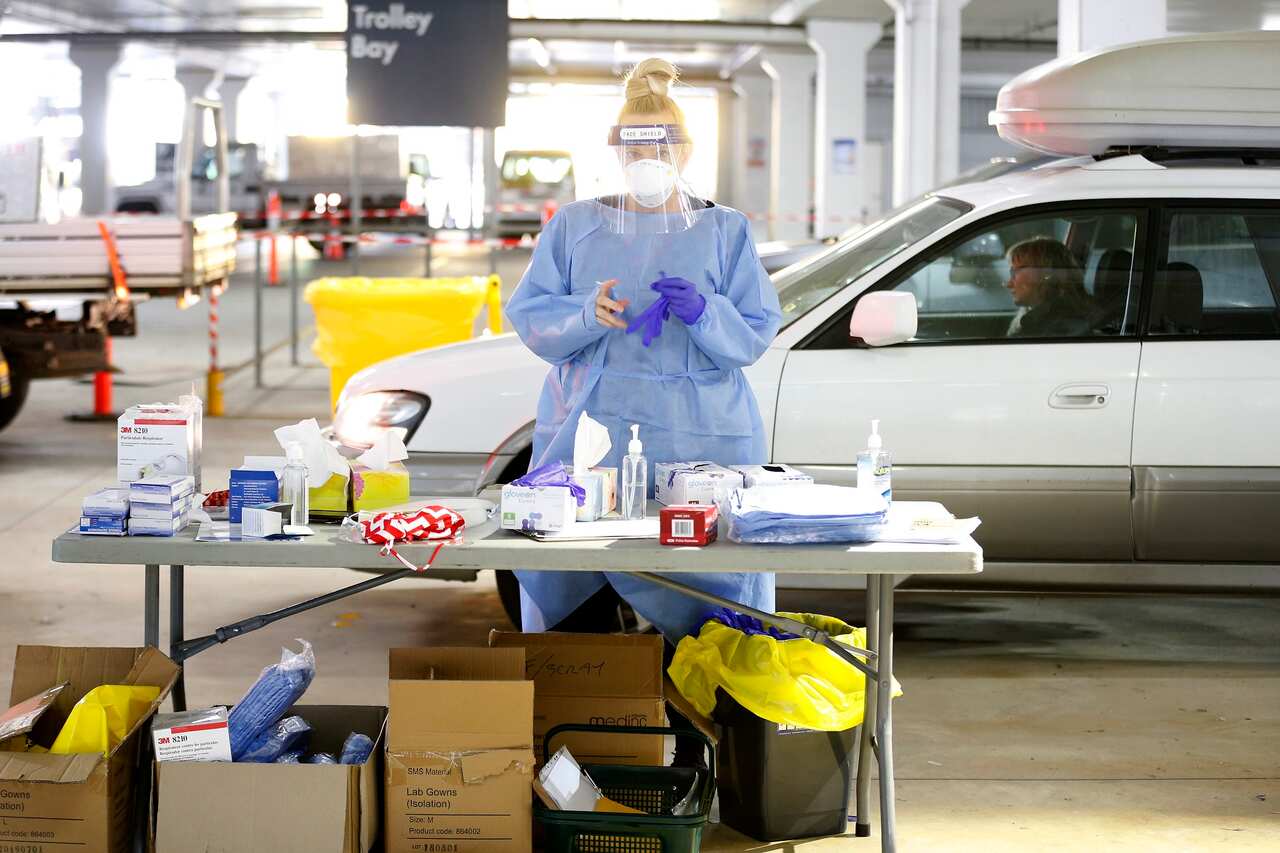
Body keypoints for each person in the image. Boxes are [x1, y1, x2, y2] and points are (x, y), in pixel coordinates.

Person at [504, 57, 783, 641]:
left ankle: (701, 729)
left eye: (660, 147)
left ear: (685, 151)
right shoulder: (575, 225)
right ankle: (588, 721)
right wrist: (586, 313)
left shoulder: (723, 228)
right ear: (617, 151)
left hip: (699, 438)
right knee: (573, 605)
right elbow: (530, 315)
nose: (646, 161)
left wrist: (707, 312)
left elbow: (756, 329)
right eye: (634, 149)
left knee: (709, 611)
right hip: (591, 435)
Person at [1004, 236, 1094, 338]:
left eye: (1016, 272)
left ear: (1046, 275)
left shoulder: (1063, 327)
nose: (1008, 284)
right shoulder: (1037, 317)